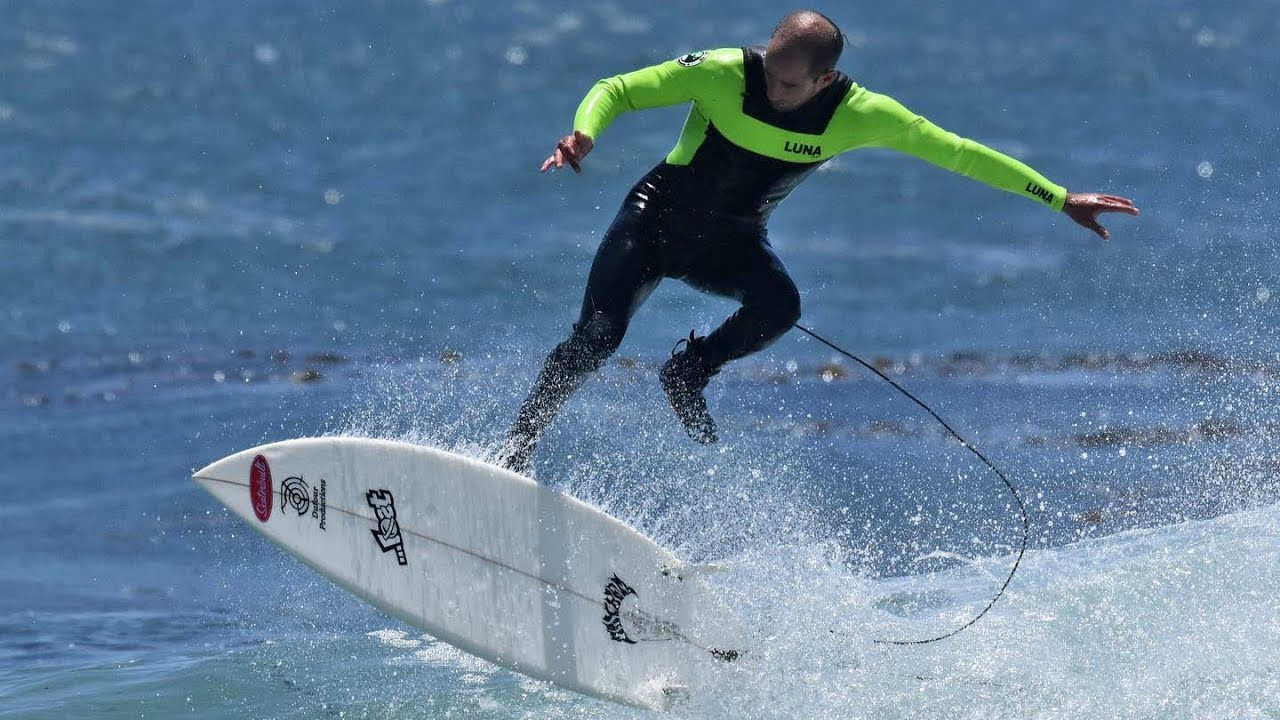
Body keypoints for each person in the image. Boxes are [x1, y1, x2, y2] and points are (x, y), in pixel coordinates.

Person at [498, 10, 1138, 475]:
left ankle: (689, 371)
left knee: (780, 306)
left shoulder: (862, 115)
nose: (772, 90)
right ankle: (518, 446)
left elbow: (961, 155)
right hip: (654, 221)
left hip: (732, 243)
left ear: (826, 80)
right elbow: (618, 89)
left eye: (787, 85)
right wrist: (585, 133)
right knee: (597, 340)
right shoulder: (723, 72)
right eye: (770, 72)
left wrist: (1059, 198)